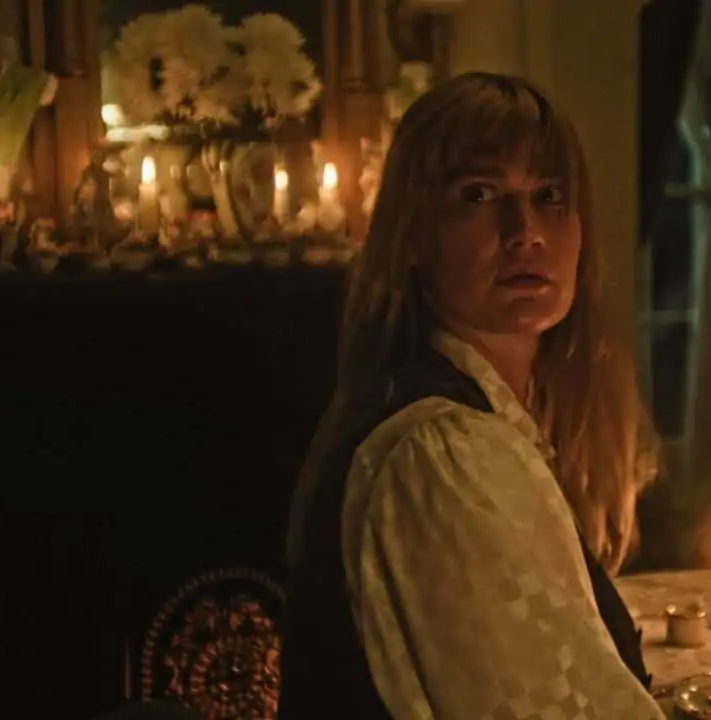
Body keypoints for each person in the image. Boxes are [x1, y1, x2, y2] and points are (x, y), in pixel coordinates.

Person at [280, 72, 665, 719]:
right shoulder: (441, 454)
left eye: (549, 195)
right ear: (413, 237)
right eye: (479, 195)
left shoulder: (488, 422)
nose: (525, 231)